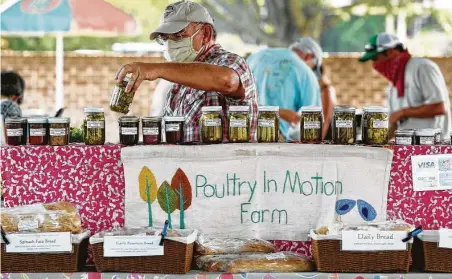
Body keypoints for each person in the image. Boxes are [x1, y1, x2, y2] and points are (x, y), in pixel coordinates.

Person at [115, 0, 258, 143]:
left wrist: (156, 69)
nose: (170, 45)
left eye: (178, 36)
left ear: (206, 34)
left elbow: (228, 81)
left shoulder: (231, 61)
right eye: (165, 39)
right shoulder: (178, 84)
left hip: (227, 164)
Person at [359, 33, 451, 141]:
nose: (375, 64)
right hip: (407, 145)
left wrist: (402, 113)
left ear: (390, 51)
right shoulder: (393, 85)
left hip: (432, 147)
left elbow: (439, 107)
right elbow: (395, 123)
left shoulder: (422, 67)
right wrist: (376, 141)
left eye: (375, 58)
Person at [247, 44, 321, 140]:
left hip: (244, 132)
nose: (312, 70)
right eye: (314, 67)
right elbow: (311, 122)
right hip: (277, 138)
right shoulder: (306, 73)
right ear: (310, 56)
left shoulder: (254, 57)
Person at [287, 37, 337, 140]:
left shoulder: (325, 89)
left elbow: (323, 124)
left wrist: (312, 147)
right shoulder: (296, 85)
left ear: (309, 57)